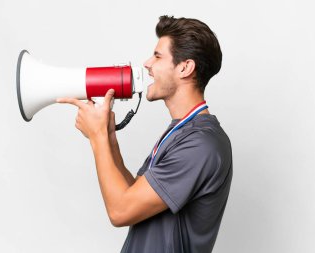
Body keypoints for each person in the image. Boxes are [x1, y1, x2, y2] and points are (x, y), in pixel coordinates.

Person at [57, 15, 233, 253]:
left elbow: (120, 212)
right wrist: (109, 137)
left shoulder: (201, 144)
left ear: (185, 67)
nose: (147, 64)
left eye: (158, 56)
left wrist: (97, 137)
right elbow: (134, 197)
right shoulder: (181, 131)